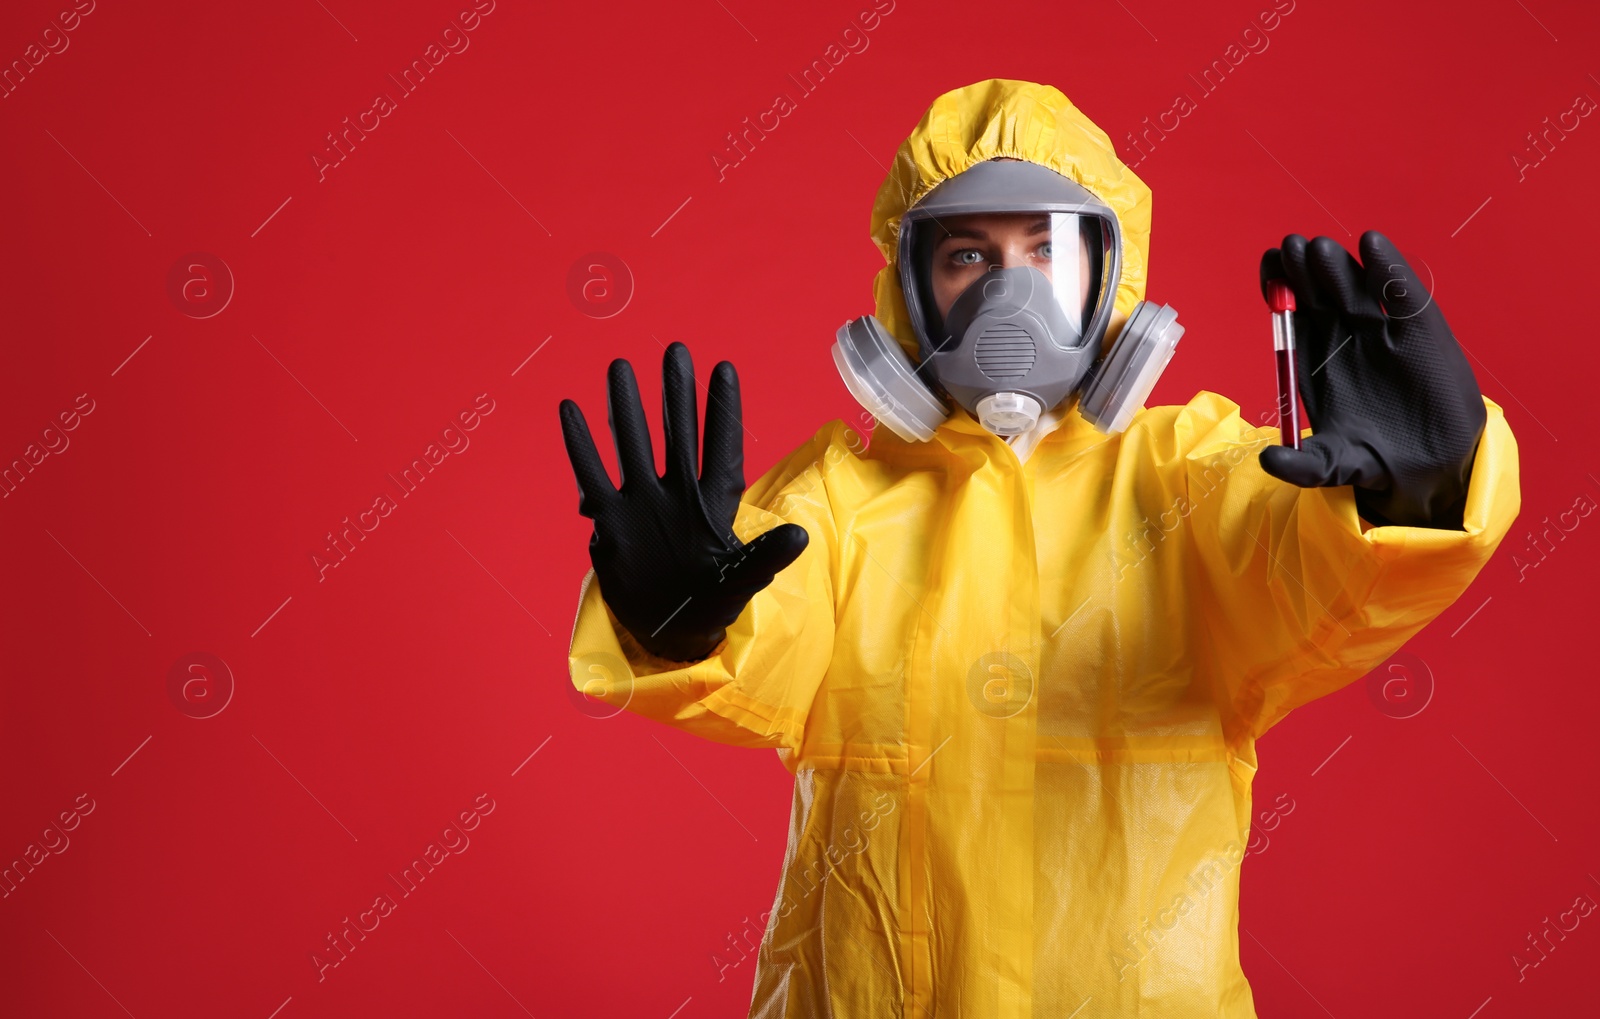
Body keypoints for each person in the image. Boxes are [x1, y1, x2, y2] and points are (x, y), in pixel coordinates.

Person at [559, 79, 1520, 1017]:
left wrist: (1419, 492)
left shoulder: (1188, 480)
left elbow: (1314, 577)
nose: (1009, 294)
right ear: (909, 286)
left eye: (1048, 251)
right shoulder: (840, 502)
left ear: (1113, 279)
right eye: (967, 256)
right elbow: (759, 640)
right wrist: (674, 628)